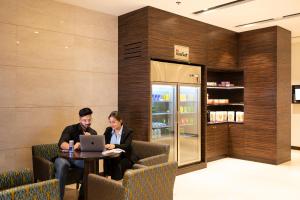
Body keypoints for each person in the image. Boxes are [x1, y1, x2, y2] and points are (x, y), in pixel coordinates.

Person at [55, 107, 97, 200]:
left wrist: (90, 140)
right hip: (64, 158)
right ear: (80, 119)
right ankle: (58, 198)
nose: (87, 122)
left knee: (90, 166)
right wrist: (74, 146)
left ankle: (82, 196)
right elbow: (61, 143)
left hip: (79, 160)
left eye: (89, 120)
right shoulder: (70, 128)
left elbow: (95, 150)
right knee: (63, 166)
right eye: (84, 120)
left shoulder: (92, 132)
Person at [103, 111, 138, 180]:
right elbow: (103, 141)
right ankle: (107, 180)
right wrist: (105, 145)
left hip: (125, 156)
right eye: (110, 122)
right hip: (112, 155)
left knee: (117, 162)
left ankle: (116, 183)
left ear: (120, 121)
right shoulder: (108, 130)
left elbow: (126, 146)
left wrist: (114, 146)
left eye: (114, 122)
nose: (111, 124)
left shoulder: (128, 131)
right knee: (107, 160)